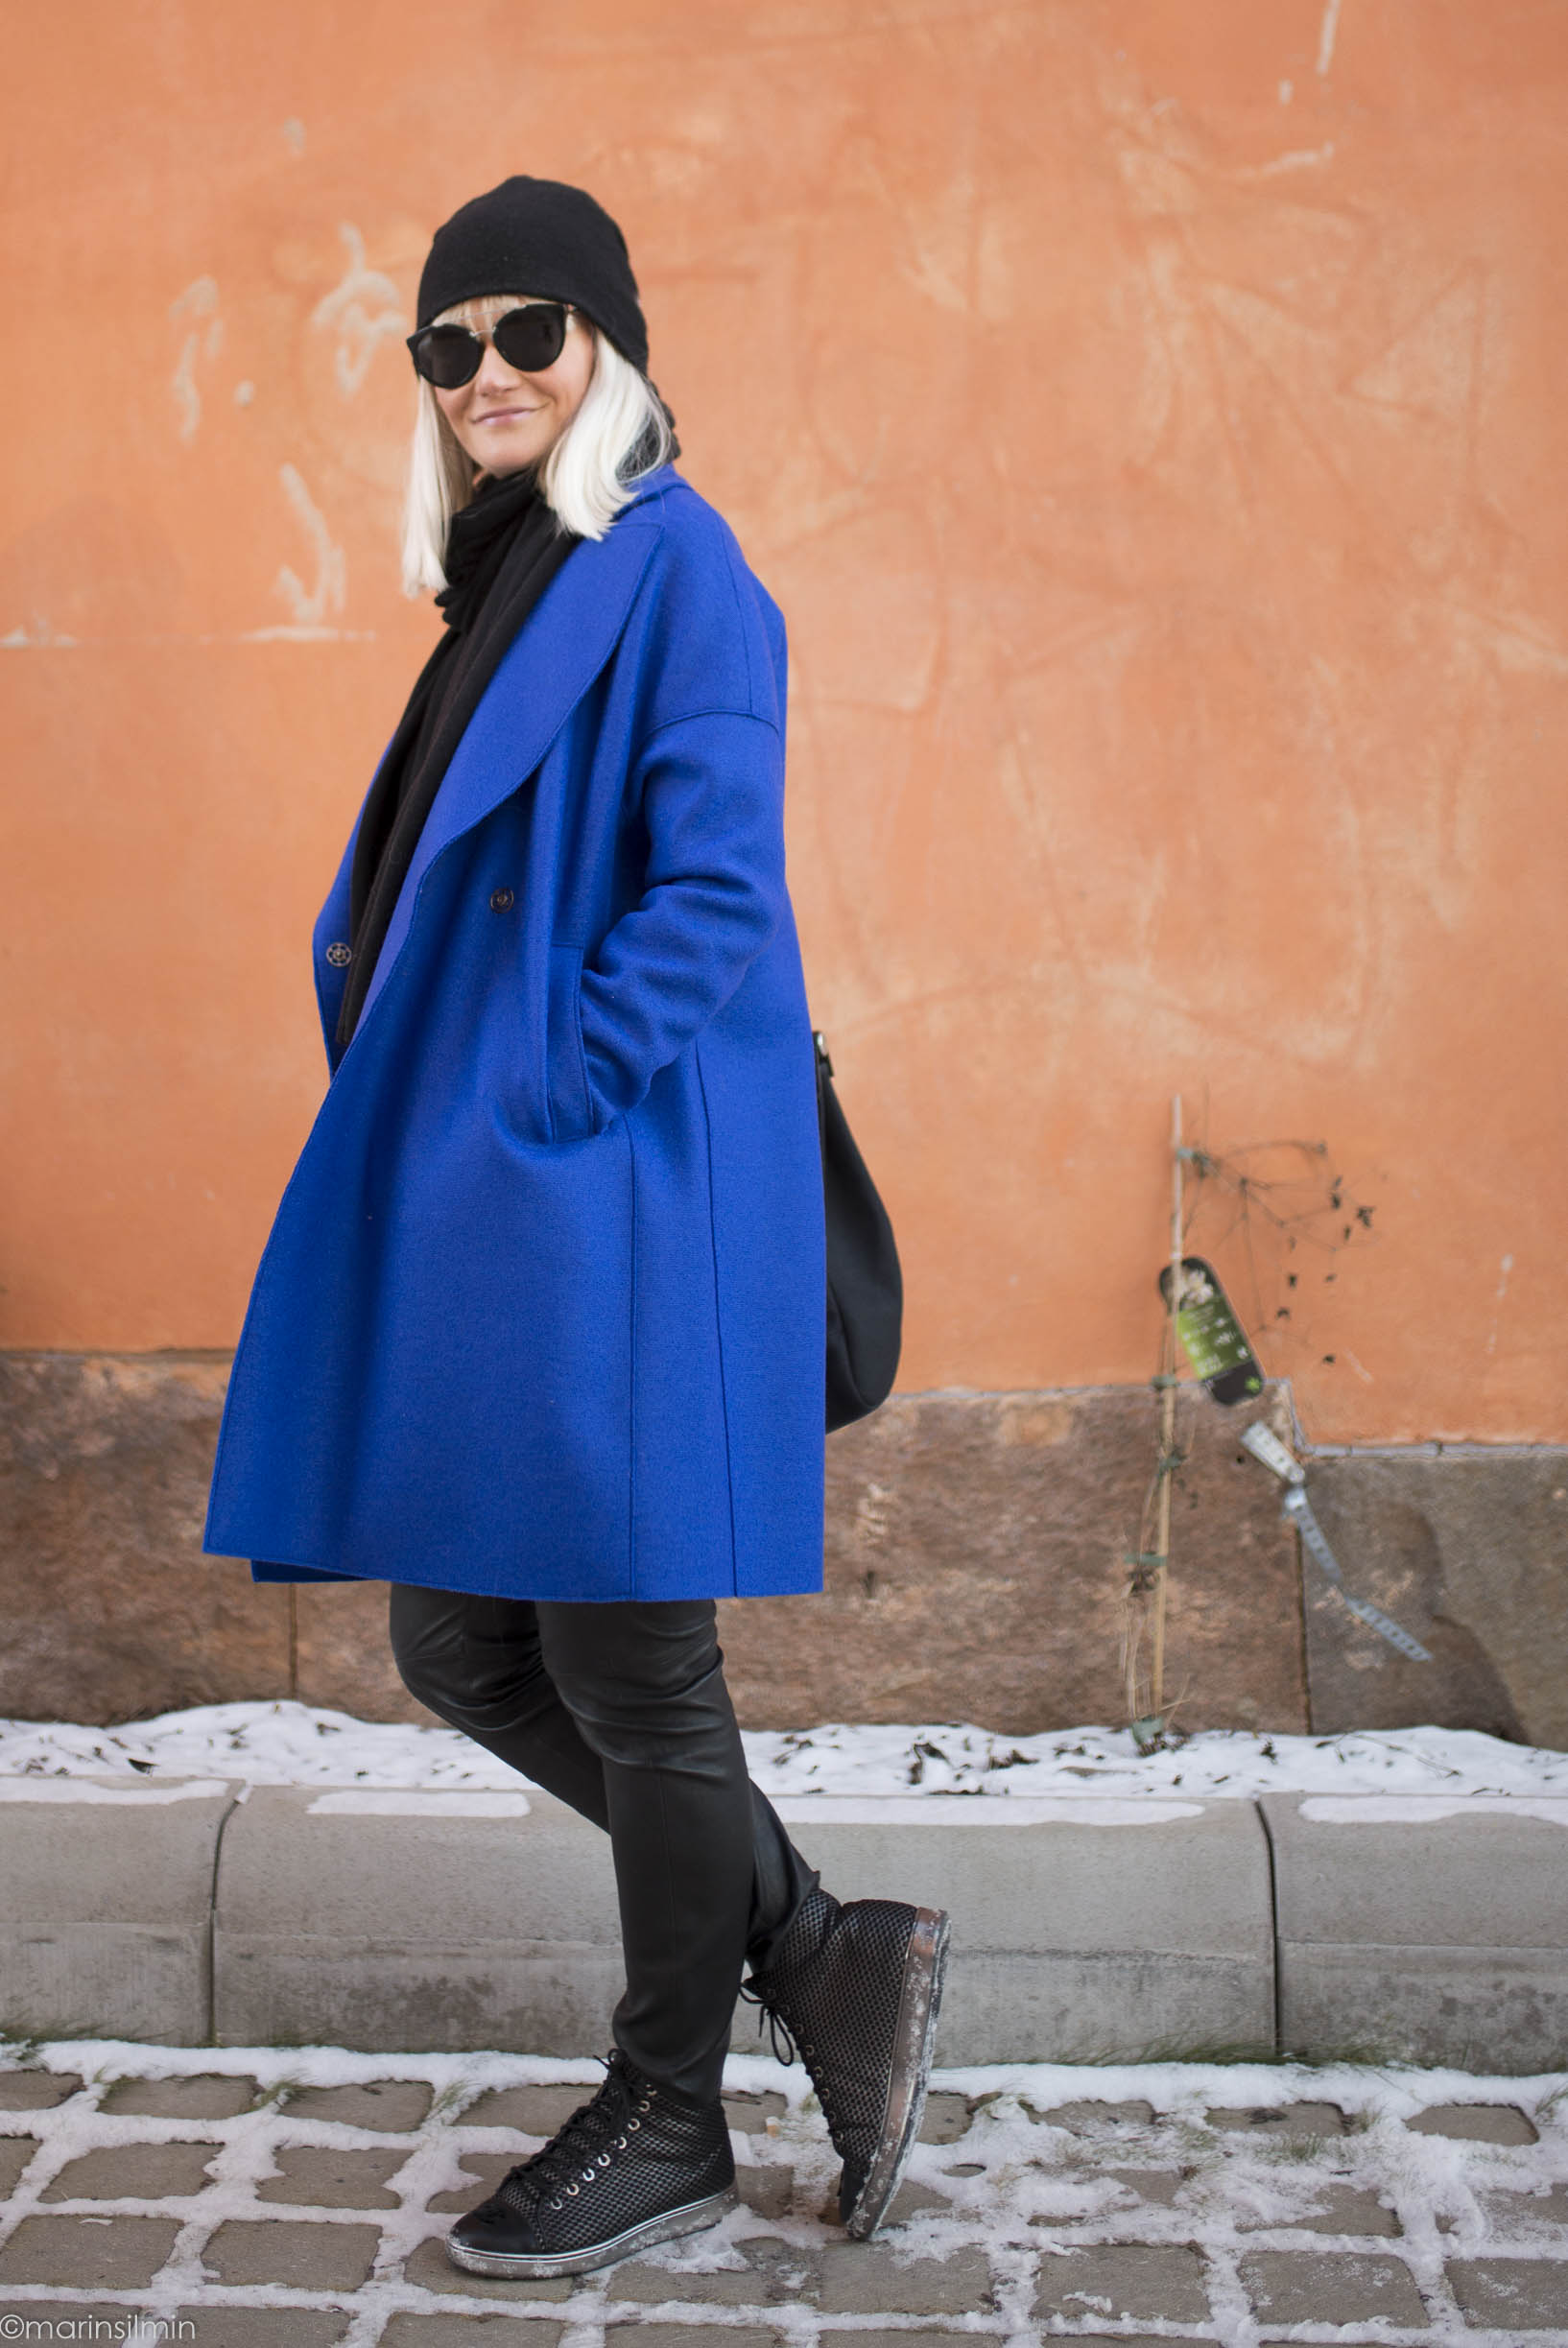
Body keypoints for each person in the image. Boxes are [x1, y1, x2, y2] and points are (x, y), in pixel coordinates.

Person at [202, 174, 950, 2282]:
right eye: (449, 345)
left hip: (602, 1185)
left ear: (607, 348)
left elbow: (712, 891)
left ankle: (669, 2111)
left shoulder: (674, 563)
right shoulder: (508, 577)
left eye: (530, 330)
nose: (488, 371)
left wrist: (550, 1089)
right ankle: (820, 1949)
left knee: (630, 1659)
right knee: (460, 1644)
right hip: (499, 1195)